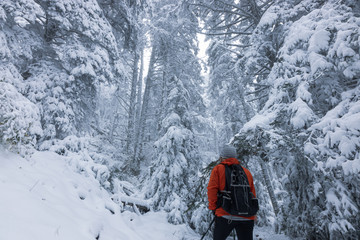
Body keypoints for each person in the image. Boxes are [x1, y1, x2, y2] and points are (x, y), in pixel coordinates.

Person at [207, 145, 257, 240]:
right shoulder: (246, 172)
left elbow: (212, 190)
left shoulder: (218, 169)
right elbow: (252, 194)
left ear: (222, 157)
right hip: (247, 217)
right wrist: (253, 213)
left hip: (225, 214)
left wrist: (213, 208)